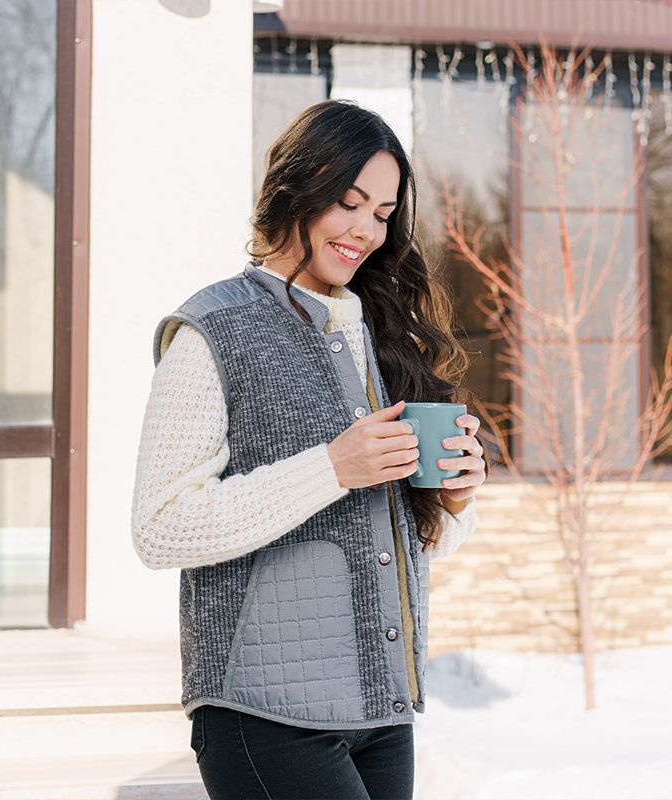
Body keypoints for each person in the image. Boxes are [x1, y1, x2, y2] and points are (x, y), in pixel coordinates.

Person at [131, 98, 488, 800]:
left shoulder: (381, 334)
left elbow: (399, 541)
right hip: (260, 712)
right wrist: (331, 467)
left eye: (383, 214)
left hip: (380, 710)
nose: (365, 231)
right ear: (297, 187)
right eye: (349, 203)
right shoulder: (212, 330)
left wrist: (450, 502)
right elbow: (160, 526)